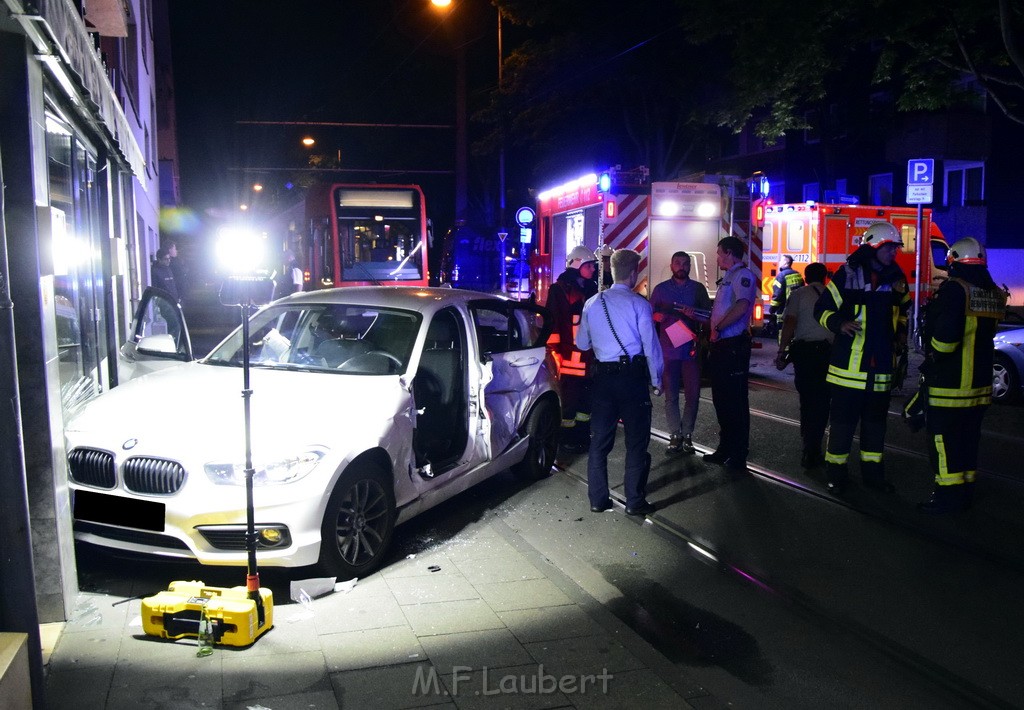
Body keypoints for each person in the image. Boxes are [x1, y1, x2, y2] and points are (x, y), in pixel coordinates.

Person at [813, 222, 909, 494]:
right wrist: (839, 324)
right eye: (889, 247)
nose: (894, 252)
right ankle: (836, 475)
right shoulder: (848, 273)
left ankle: (874, 476)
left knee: (875, 427)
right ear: (872, 247)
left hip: (880, 371)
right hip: (848, 368)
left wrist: (901, 333)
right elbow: (822, 308)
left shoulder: (897, 277)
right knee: (842, 426)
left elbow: (904, 312)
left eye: (895, 247)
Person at [915, 237, 1006, 513]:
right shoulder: (991, 292)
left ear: (953, 262)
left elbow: (945, 340)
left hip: (950, 385)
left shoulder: (955, 290)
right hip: (979, 387)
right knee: (968, 442)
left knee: (943, 442)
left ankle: (946, 498)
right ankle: (965, 492)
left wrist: (932, 353)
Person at [576, 249, 663, 516]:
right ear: (634, 273)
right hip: (632, 379)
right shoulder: (639, 304)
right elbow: (650, 345)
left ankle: (598, 500)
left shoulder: (592, 302)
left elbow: (581, 343)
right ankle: (634, 502)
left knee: (599, 442)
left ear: (611, 271)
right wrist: (657, 379)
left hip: (603, 380)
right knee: (636, 442)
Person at [703, 237, 759, 470]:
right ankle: (725, 447)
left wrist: (718, 327)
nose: (717, 257)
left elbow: (742, 306)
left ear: (729, 253)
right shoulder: (729, 277)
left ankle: (738, 453)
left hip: (733, 345)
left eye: (719, 253)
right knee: (721, 399)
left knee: (735, 401)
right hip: (723, 345)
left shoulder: (742, 276)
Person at [650, 251, 712, 455]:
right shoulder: (660, 290)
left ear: (690, 267)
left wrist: (695, 315)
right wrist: (656, 317)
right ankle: (675, 434)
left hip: (691, 350)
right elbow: (648, 317)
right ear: (671, 265)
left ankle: (688, 435)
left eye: (686, 264)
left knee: (693, 395)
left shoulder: (698, 289)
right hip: (668, 350)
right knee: (671, 396)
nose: (682, 267)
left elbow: (709, 318)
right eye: (678, 263)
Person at [775, 262, 833, 468]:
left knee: (808, 402)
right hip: (829, 355)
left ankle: (809, 447)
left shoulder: (799, 294)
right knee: (824, 402)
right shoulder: (834, 294)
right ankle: (821, 446)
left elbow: (790, 323)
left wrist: (781, 351)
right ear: (825, 277)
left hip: (806, 355)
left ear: (806, 278)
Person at [546, 244, 599, 452]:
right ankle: (566, 437)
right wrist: (555, 352)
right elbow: (553, 321)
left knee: (586, 399)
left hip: (588, 355)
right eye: (589, 266)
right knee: (569, 399)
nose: (593, 269)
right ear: (577, 265)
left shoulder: (592, 288)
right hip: (569, 355)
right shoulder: (558, 289)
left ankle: (582, 436)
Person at [768, 255, 804, 334]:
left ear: (785, 263)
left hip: (784, 311)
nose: (779, 262)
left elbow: (777, 295)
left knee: (783, 333)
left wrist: (772, 309)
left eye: (781, 260)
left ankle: (784, 346)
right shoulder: (798, 274)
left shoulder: (781, 276)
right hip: (797, 310)